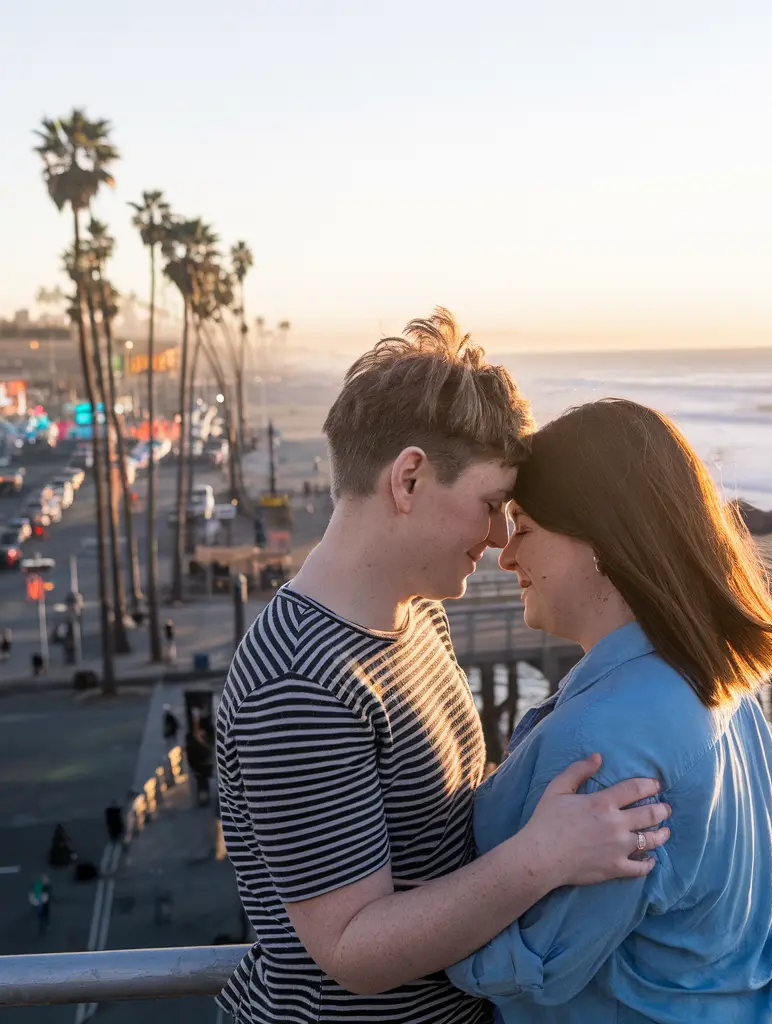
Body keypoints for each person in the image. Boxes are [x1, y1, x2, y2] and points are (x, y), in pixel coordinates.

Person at [215, 309, 670, 1024]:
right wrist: (541, 858)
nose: (498, 537)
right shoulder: (300, 681)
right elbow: (354, 949)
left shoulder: (417, 611)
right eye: (491, 505)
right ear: (410, 480)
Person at [446, 399, 772, 1023]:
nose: (507, 555)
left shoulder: (601, 746)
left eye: (526, 528)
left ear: (602, 542)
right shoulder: (721, 680)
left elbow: (532, 972)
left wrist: (410, 937)